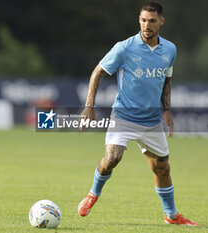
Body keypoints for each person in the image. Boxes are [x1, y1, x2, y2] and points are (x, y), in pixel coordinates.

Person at [77, 2, 198, 226]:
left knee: (161, 167)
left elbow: (166, 79)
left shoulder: (170, 49)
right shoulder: (124, 48)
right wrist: (89, 106)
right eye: (143, 20)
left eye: (152, 21)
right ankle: (93, 194)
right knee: (112, 158)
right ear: (139, 20)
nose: (147, 25)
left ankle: (171, 216)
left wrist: (167, 110)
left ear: (161, 22)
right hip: (123, 116)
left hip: (152, 121)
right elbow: (97, 72)